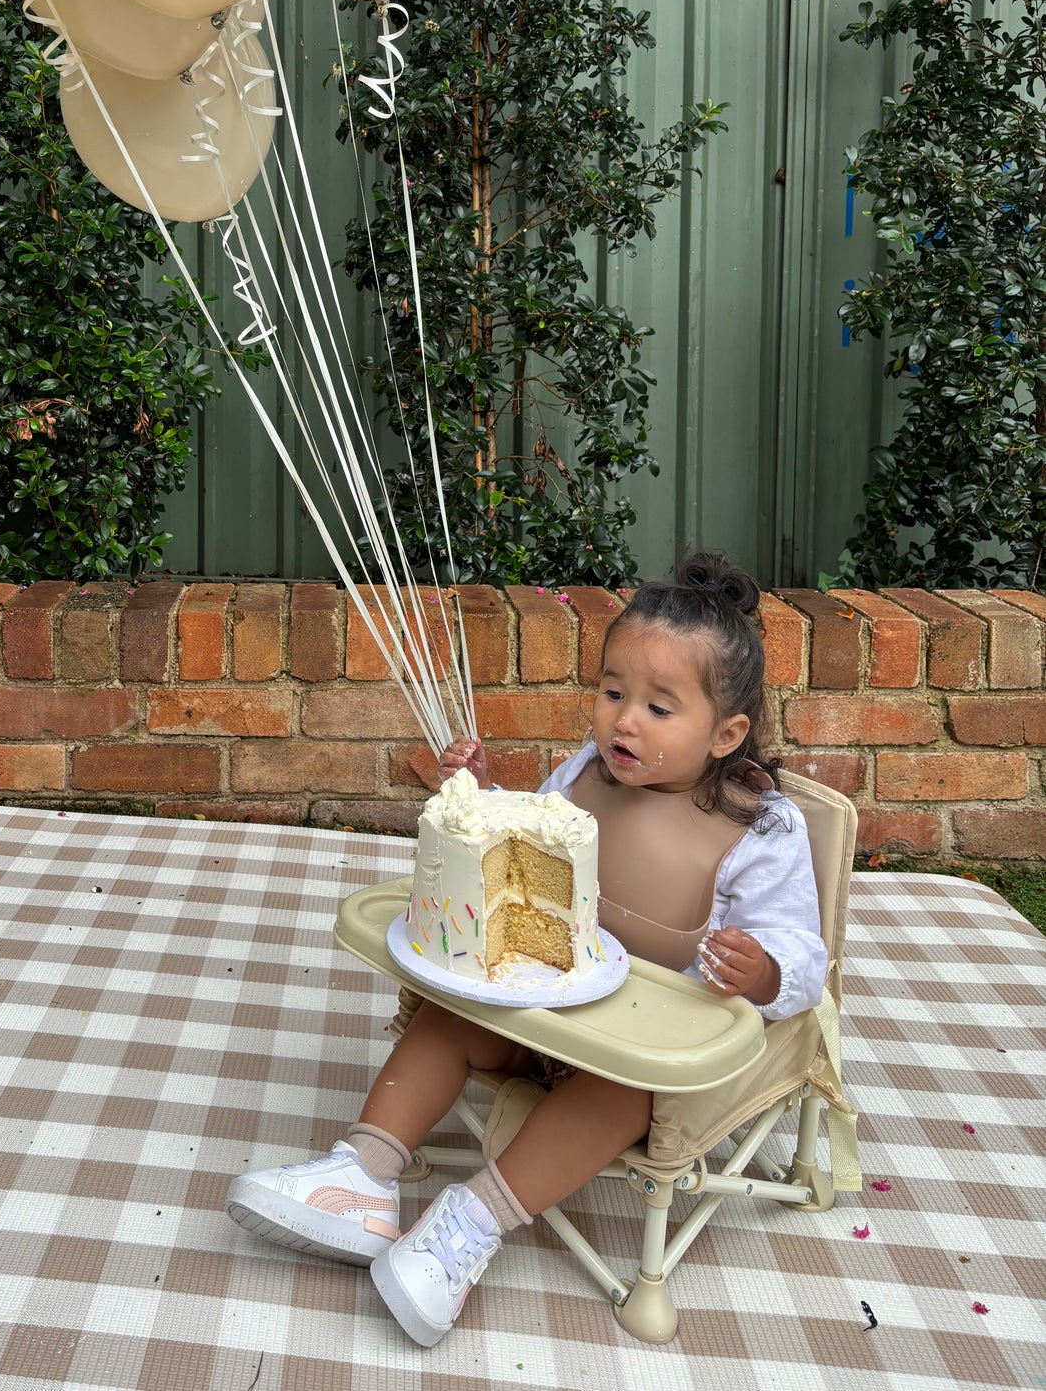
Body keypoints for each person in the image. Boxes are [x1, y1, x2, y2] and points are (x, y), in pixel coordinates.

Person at [224, 551, 828, 1348]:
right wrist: (482, 791)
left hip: (638, 1043)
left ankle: (469, 1224)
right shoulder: (584, 773)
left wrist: (764, 967)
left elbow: (803, 953)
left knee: (619, 1095)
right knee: (450, 1009)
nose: (622, 720)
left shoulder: (759, 826)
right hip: (548, 998)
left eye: (657, 706)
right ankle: (363, 1173)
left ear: (726, 732)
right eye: (611, 692)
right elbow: (526, 844)